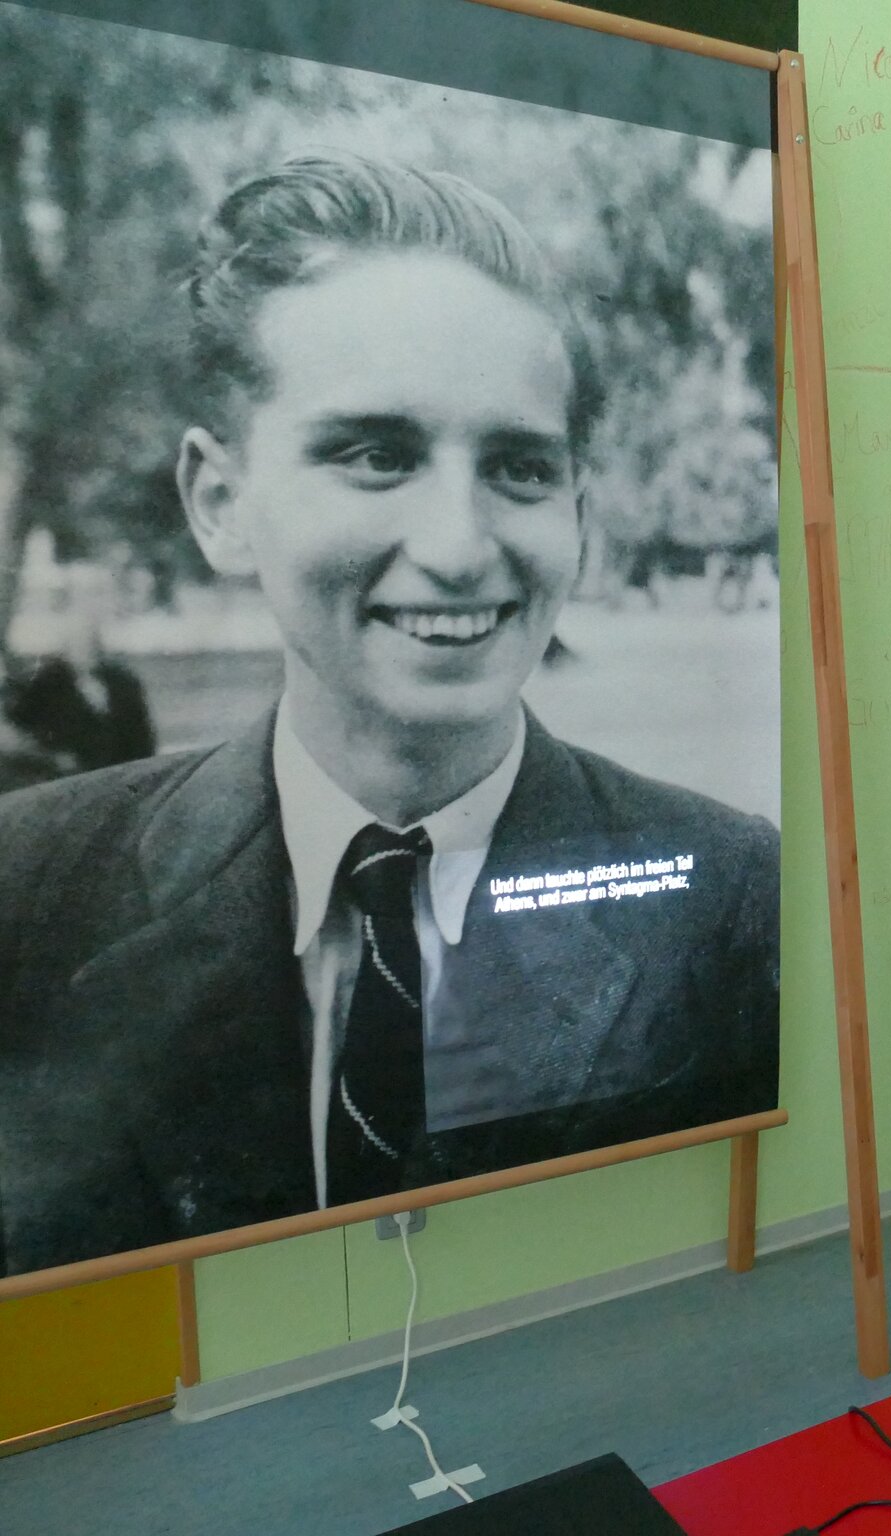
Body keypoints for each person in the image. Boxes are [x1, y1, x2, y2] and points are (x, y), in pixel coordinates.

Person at [0, 153, 780, 1278]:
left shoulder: (739, 901)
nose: (459, 548)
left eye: (516, 466)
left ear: (578, 514)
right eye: (376, 455)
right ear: (219, 503)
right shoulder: (30, 893)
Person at [9, 563, 156, 774]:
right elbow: (20, 736)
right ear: (66, 648)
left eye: (92, 643)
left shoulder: (124, 684)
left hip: (124, 780)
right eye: (79, 645)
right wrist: (53, 759)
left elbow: (145, 743)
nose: (87, 651)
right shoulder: (45, 685)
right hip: (69, 783)